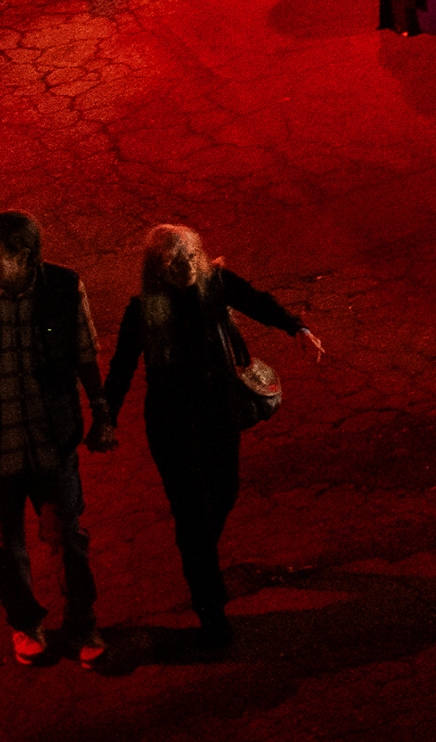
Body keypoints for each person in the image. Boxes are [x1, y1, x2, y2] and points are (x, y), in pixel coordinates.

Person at [95, 222, 319, 655]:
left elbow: (256, 302)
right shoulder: (144, 310)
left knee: (225, 493)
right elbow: (121, 367)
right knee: (195, 517)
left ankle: (196, 553)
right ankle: (210, 609)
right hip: (172, 425)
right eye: (175, 263)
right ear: (159, 270)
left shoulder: (215, 283)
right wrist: (105, 418)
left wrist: (297, 328)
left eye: (190, 258)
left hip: (218, 414)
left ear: (199, 255)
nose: (186, 268)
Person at [0, 209, 107, 669]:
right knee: (4, 546)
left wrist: (101, 412)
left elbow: (86, 356)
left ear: (23, 257)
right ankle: (25, 623)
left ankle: (82, 623)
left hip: (51, 443)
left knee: (67, 537)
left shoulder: (66, 289)